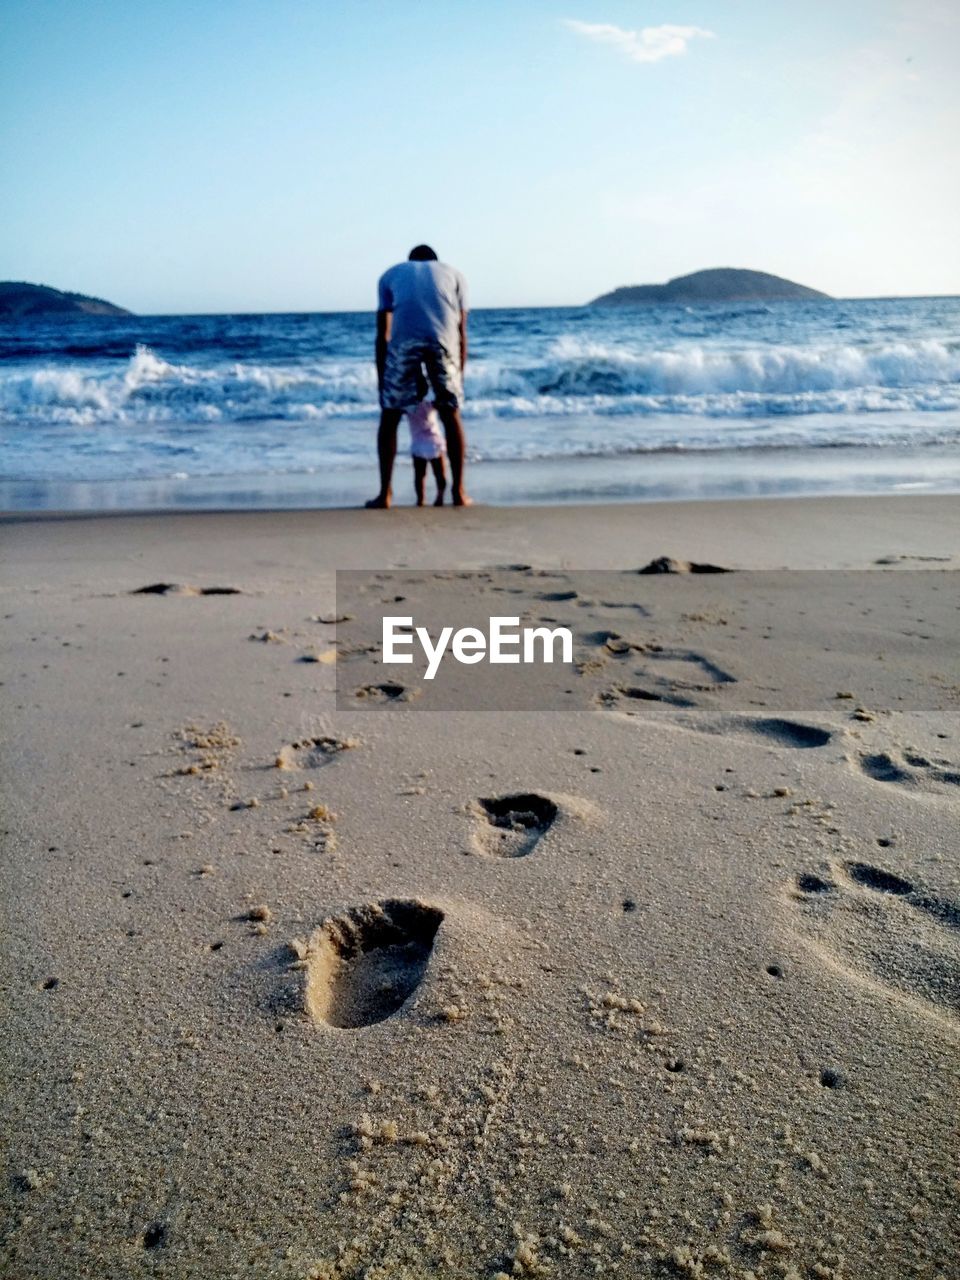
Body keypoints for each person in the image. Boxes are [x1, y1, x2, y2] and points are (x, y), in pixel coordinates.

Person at [366, 245, 471, 508]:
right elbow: (461, 332)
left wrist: (383, 379)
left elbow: (383, 335)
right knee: (450, 413)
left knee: (390, 416)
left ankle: (385, 494)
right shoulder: (455, 274)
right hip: (443, 341)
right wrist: (460, 375)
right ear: (435, 261)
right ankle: (458, 493)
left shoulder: (390, 275)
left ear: (410, 261)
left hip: (404, 343)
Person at [406, 382, 447, 506]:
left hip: (418, 444)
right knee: (439, 473)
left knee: (419, 475)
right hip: (434, 442)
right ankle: (440, 495)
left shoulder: (409, 406)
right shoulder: (430, 404)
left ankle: (421, 499)